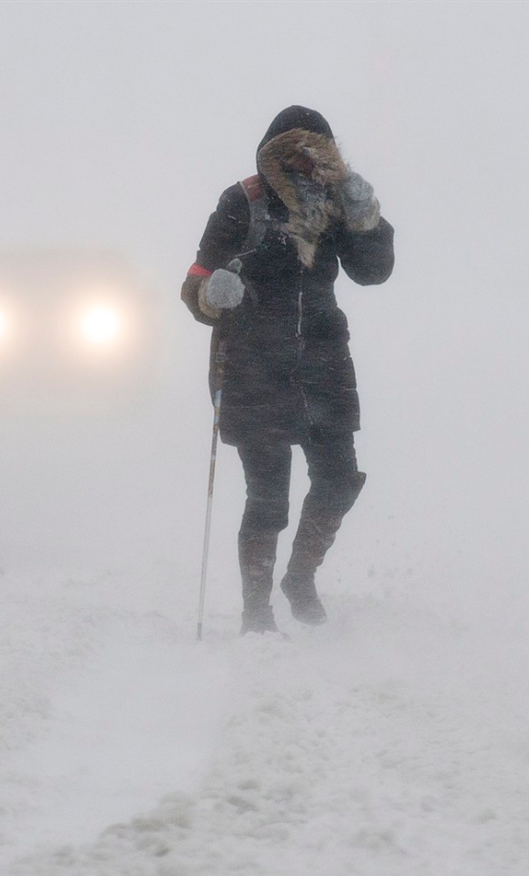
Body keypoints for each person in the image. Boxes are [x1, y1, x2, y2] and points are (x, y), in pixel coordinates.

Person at [180, 106, 395, 635]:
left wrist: (369, 221)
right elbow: (195, 286)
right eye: (294, 152)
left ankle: (299, 577)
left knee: (340, 479)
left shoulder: (336, 203)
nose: (306, 161)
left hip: (324, 361)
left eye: (316, 152)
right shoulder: (243, 202)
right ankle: (257, 611)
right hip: (255, 363)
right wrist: (212, 294)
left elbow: (373, 273)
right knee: (268, 496)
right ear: (275, 153)